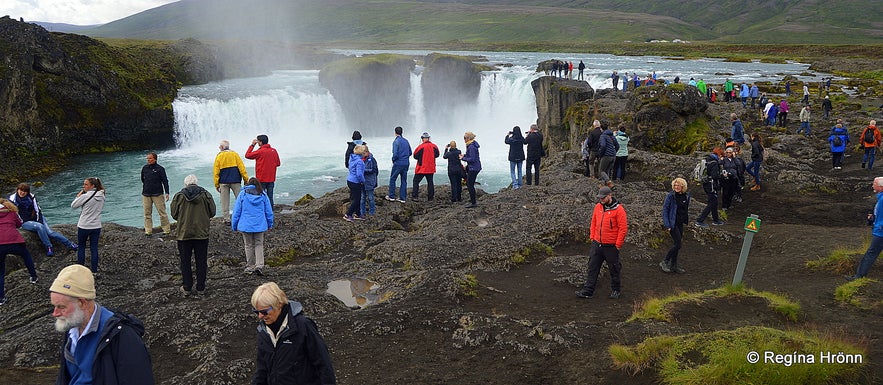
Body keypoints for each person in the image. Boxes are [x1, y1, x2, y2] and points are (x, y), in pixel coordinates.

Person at [50, 264, 154, 384]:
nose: (55, 313)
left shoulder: (122, 336)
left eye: (61, 307)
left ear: (82, 303)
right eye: (54, 306)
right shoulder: (72, 326)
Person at [250, 282, 336, 384]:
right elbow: (262, 370)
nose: (260, 316)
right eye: (256, 312)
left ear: (279, 304)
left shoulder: (303, 326)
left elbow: (323, 365)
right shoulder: (263, 332)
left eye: (264, 312)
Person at [575, 186, 628, 299]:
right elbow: (593, 222)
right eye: (600, 198)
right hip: (597, 243)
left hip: (611, 246)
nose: (601, 200)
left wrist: (617, 245)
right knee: (592, 267)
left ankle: (616, 290)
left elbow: (623, 228)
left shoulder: (619, 210)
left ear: (610, 196)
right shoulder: (598, 207)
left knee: (614, 268)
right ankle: (588, 291)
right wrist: (592, 237)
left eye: (603, 198)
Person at [170, 175, 216, 296]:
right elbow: (213, 212)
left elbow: (174, 214)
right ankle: (201, 287)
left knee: (185, 261)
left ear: (186, 184)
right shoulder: (206, 194)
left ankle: (187, 287)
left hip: (184, 234)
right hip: (201, 233)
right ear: (196, 183)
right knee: (201, 261)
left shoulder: (179, 196)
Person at [9, 183, 77, 256]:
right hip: (25, 221)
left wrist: (39, 221)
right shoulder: (12, 199)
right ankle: (48, 247)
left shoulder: (31, 197)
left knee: (50, 233)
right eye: (21, 190)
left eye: (25, 191)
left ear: (27, 192)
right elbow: (15, 214)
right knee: (39, 227)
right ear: (17, 190)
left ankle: (70, 244)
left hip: (38, 218)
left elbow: (37, 209)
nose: (22, 192)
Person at [0, 198, 38, 306]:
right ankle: (34, 277)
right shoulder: (11, 212)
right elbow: (19, 224)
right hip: (14, 240)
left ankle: (1, 298)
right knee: (26, 255)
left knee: (1, 271)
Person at [232, 177, 273, 276]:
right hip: (259, 224)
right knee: (259, 244)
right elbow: (269, 211)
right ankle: (259, 265)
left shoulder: (243, 194)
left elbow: (236, 211)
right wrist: (270, 223)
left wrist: (234, 225)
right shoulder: (263, 195)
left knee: (248, 245)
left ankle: (250, 266)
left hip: (245, 225)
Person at [848, 177, 883, 281]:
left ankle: (859, 276)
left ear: (881, 186)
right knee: (871, 253)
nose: (872, 186)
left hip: (880, 232)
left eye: (874, 184)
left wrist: (879, 226)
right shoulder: (880, 198)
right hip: (879, 230)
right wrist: (873, 218)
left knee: (870, 254)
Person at [71, 177, 106, 275]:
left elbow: (73, 206)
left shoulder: (85, 196)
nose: (84, 186)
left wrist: (78, 197)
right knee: (94, 248)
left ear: (92, 186)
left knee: (81, 247)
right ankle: (94, 271)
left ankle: (81, 271)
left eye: (86, 184)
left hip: (84, 225)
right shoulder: (102, 195)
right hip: (96, 225)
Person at [213, 140, 248, 224]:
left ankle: (226, 219)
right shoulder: (235, 154)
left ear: (222, 147)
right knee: (240, 199)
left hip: (223, 181)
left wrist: (216, 184)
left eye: (219, 146)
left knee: (225, 201)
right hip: (235, 180)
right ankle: (243, 216)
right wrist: (246, 179)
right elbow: (242, 168)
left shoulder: (219, 156)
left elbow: (216, 172)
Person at [660, 178, 690, 274]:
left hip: (680, 223)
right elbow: (665, 210)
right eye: (675, 185)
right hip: (673, 224)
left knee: (677, 245)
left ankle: (674, 265)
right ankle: (665, 261)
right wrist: (667, 224)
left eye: (678, 185)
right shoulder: (670, 196)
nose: (676, 187)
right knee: (678, 244)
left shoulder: (686, 196)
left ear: (683, 186)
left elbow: (685, 209)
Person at [245, 134, 281, 207]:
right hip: (271, 178)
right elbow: (278, 163)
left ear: (261, 142)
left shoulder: (260, 152)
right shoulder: (274, 151)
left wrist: (252, 145)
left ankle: (262, 210)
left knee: (260, 195)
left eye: (258, 141)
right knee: (270, 196)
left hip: (261, 178)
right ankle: (270, 211)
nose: (257, 142)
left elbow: (247, 155)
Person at [140, 152, 170, 236]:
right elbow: (142, 179)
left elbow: (165, 181)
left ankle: (166, 230)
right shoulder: (144, 168)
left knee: (162, 213)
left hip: (158, 194)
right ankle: (148, 231)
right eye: (147, 159)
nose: (148, 160)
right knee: (147, 214)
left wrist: (167, 192)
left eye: (150, 158)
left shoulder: (160, 169)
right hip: (146, 194)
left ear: (155, 159)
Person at [695, 151, 724, 227]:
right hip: (711, 185)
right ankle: (700, 220)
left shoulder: (707, 160)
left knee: (714, 202)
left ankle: (716, 220)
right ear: (719, 155)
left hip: (706, 184)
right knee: (711, 203)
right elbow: (714, 176)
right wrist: (722, 175)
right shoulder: (714, 163)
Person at [385, 126, 412, 203]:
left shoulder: (396, 142)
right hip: (406, 163)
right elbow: (410, 152)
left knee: (393, 178)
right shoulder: (406, 141)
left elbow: (395, 154)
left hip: (398, 163)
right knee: (404, 180)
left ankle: (391, 196)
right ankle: (402, 198)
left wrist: (393, 160)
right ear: (402, 132)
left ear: (395, 132)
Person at [412, 132, 439, 200]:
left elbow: (415, 156)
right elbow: (437, 154)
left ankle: (415, 196)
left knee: (416, 181)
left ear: (422, 139)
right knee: (430, 182)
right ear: (428, 138)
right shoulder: (434, 146)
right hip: (430, 167)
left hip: (422, 168)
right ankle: (430, 197)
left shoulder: (421, 147)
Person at [344, 145, 366, 221]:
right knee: (357, 200)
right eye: (364, 152)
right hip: (355, 182)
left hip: (349, 180)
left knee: (356, 198)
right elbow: (359, 174)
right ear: (361, 153)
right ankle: (348, 214)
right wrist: (363, 181)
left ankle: (357, 214)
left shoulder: (352, 158)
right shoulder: (359, 161)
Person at [460, 131, 482, 208]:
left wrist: (463, 158)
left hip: (474, 168)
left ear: (469, 138)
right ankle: (472, 200)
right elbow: (471, 156)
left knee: (469, 184)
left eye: (465, 138)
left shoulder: (471, 146)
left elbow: (472, 159)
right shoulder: (471, 144)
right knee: (470, 183)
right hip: (475, 167)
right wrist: (465, 155)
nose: (464, 139)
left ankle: (473, 203)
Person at [597, 122, 619, 187]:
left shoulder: (603, 136)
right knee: (607, 170)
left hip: (606, 156)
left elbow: (603, 145)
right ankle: (603, 184)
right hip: (613, 156)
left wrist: (600, 154)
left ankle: (609, 182)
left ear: (601, 129)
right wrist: (614, 152)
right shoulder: (612, 136)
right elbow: (617, 145)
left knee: (601, 171)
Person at [720, 147, 740, 212]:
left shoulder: (735, 159)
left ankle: (729, 204)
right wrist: (721, 159)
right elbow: (719, 163)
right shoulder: (724, 159)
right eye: (727, 152)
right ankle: (724, 205)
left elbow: (738, 164)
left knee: (732, 191)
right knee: (725, 192)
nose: (728, 154)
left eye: (730, 152)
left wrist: (734, 157)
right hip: (726, 177)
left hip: (733, 177)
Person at [361, 146, 378, 217]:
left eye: (363, 153)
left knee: (370, 197)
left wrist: (363, 171)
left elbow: (374, 170)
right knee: (362, 197)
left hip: (369, 181)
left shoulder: (372, 159)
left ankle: (372, 212)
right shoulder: (360, 159)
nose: (362, 154)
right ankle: (362, 212)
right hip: (362, 182)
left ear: (367, 152)